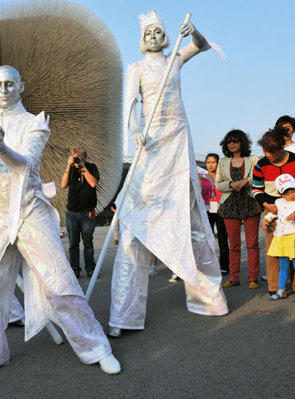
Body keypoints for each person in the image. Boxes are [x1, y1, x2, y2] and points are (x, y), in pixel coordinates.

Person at [0, 65, 121, 376]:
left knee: (59, 282)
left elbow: (25, 164)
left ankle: (96, 347)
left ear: (21, 87)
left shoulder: (35, 123)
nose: (4, 89)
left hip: (30, 211)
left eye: (10, 84)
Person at [108, 10, 228, 339]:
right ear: (141, 39)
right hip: (151, 141)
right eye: (148, 33)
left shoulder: (176, 57)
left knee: (191, 214)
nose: (153, 37)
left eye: (158, 32)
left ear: (164, 36)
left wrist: (194, 30)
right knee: (135, 219)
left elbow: (201, 45)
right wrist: (134, 131)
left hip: (178, 140)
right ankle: (124, 311)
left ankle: (207, 296)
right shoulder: (136, 68)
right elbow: (129, 104)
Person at [253, 127, 295, 295]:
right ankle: (275, 286)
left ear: (281, 148)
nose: (267, 155)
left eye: (271, 152)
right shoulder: (261, 164)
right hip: (272, 210)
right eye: (265, 151)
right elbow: (257, 189)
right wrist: (266, 205)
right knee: (273, 250)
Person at [215, 130, 261, 289]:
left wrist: (246, 181)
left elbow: (260, 177)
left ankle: (253, 278)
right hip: (229, 203)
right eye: (229, 141)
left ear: (242, 142)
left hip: (250, 202)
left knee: (252, 244)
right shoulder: (222, 162)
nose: (232, 144)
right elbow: (218, 184)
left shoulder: (253, 159)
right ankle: (234, 277)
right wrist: (230, 184)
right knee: (233, 245)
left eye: (235, 141)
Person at [261, 174, 295, 302]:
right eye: (287, 193)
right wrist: (266, 220)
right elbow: (273, 214)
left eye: (293, 191)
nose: (292, 195)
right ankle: (281, 290)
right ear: (280, 193)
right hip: (282, 237)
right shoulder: (279, 202)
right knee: (283, 265)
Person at [60, 146, 100, 277]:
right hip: (72, 213)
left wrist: (83, 168)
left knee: (88, 243)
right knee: (73, 243)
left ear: (84, 158)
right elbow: (63, 185)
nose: (77, 160)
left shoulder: (92, 167)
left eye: (79, 157)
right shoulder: (70, 169)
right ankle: (74, 269)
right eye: (74, 157)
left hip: (88, 213)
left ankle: (90, 268)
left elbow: (93, 183)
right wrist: (68, 166)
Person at [199, 153, 229, 275]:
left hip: (220, 208)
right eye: (208, 162)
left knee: (222, 238)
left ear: (218, 163)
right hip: (206, 208)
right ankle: (209, 266)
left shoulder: (222, 176)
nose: (210, 165)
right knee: (207, 238)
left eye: (213, 162)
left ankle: (225, 266)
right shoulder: (201, 177)